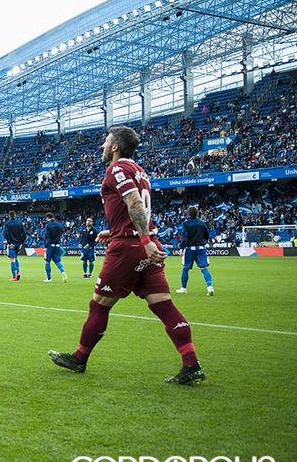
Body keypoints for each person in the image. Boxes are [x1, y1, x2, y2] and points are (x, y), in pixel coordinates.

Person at [49, 125, 205, 385]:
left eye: (105, 141)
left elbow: (134, 203)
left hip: (132, 247)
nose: (102, 146)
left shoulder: (116, 168)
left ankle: (79, 358)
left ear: (115, 147)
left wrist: (141, 239)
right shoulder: (140, 171)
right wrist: (117, 231)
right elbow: (134, 209)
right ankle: (192, 364)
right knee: (163, 304)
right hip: (143, 243)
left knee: (99, 304)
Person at [176, 206, 215, 296]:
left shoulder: (186, 224)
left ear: (188, 214)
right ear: (197, 213)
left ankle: (183, 288)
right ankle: (210, 287)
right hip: (201, 248)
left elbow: (184, 237)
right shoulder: (202, 223)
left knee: (185, 268)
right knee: (204, 268)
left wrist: (181, 246)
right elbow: (207, 235)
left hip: (190, 249)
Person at [42, 212, 68, 283]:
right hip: (58, 245)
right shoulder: (59, 225)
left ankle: (49, 278)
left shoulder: (48, 225)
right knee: (57, 261)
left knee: (47, 262)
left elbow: (47, 236)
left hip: (50, 246)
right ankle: (63, 272)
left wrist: (46, 246)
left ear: (47, 218)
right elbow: (62, 232)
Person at [4, 211, 26, 281]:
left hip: (12, 244)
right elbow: (25, 234)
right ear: (15, 215)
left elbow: (5, 234)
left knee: (12, 259)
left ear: (9, 216)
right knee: (16, 258)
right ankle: (18, 272)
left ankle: (14, 276)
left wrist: (9, 242)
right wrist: (21, 243)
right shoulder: (20, 223)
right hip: (18, 244)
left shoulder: (7, 224)